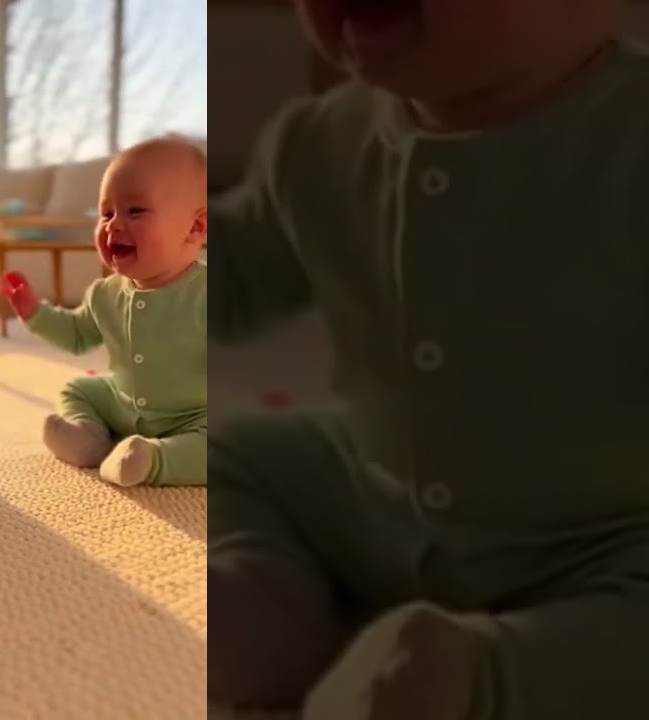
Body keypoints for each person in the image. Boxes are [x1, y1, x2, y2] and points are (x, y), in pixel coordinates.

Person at [206, 0, 649, 718]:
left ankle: (480, 676)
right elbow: (234, 285)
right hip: (375, 497)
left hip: (604, 536)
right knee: (235, 452)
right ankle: (267, 602)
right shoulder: (316, 142)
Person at [1, 137, 207, 487]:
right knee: (79, 388)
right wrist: (35, 312)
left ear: (195, 227)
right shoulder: (104, 293)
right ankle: (87, 438)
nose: (113, 225)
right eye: (106, 213)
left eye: (135, 210)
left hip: (195, 415)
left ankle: (154, 460)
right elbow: (77, 336)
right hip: (123, 404)